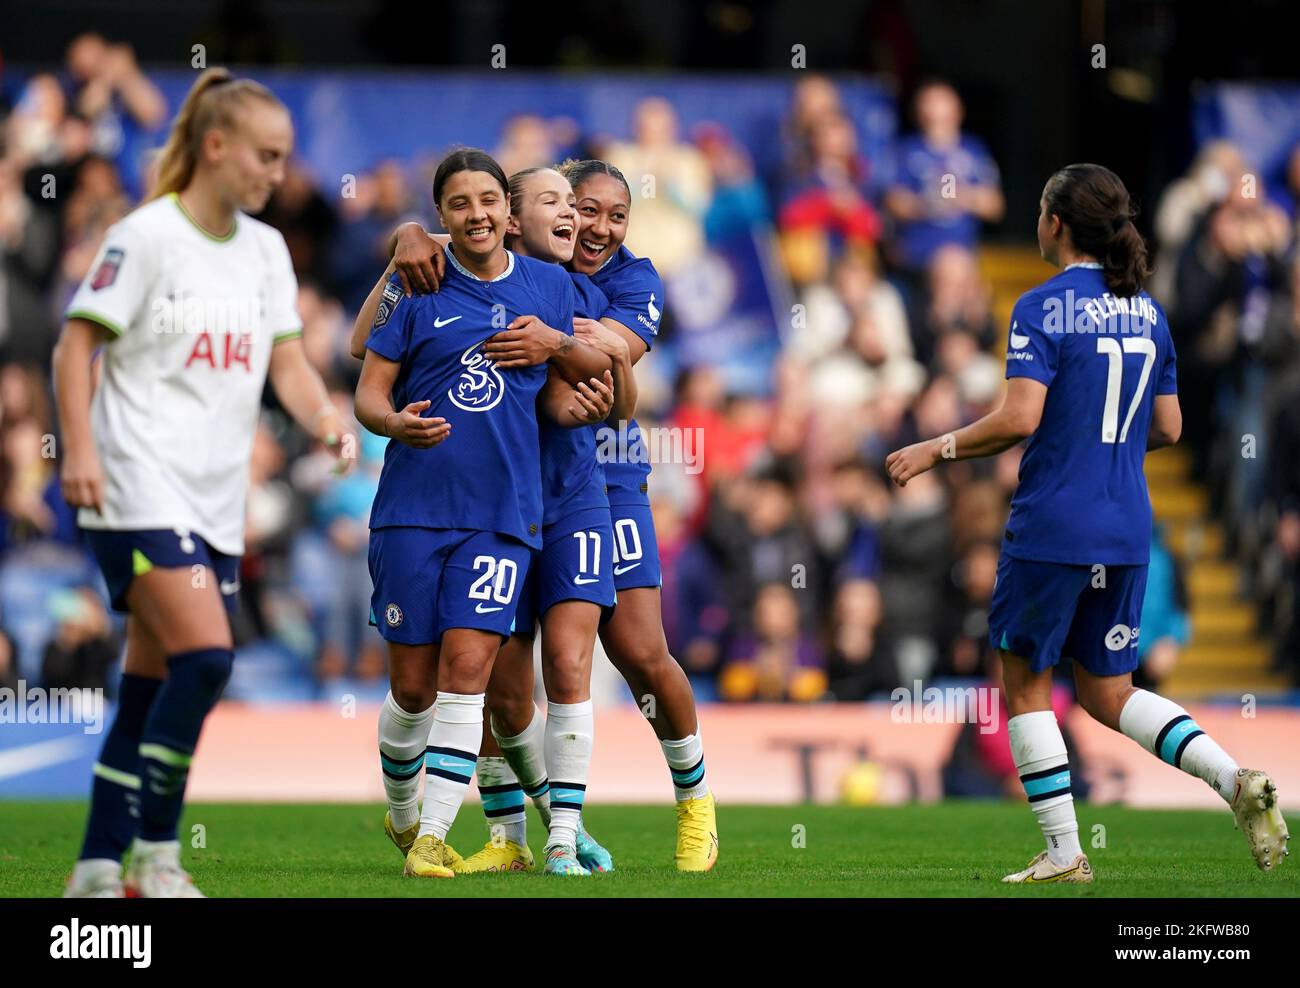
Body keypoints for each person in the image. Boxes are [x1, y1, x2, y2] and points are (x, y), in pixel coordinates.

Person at [886, 163, 1289, 883]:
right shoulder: (1148, 310)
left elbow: (1018, 418)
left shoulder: (1041, 307)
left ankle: (1065, 853)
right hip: (1128, 526)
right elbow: (1167, 427)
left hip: (1053, 525)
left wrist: (935, 447)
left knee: (1025, 683)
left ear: (1055, 223)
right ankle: (1233, 781)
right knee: (1110, 692)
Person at [54, 68, 354, 897]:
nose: (277, 173)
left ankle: (95, 869)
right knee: (209, 658)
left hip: (214, 499)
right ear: (215, 147)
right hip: (134, 482)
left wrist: (326, 417)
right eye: (266, 155)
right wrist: (77, 448)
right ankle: (156, 854)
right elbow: (75, 346)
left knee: (150, 686)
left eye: (284, 157)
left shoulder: (264, 251)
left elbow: (286, 360)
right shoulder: (146, 237)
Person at [390, 159, 720, 871]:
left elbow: (610, 377)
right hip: (503, 489)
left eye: (611, 213)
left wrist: (563, 351)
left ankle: (694, 801)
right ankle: (518, 836)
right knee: (494, 680)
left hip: (602, 479)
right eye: (574, 204)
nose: (593, 223)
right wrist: (408, 232)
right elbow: (403, 310)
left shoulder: (632, 280)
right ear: (520, 215)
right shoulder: (492, 268)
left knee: (634, 651)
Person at [351, 164, 619, 875]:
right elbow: (367, 389)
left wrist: (557, 345)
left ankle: (435, 839)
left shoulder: (551, 287)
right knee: (412, 688)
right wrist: (393, 424)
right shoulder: (417, 281)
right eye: (458, 203)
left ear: (508, 212)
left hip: (504, 516)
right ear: (441, 213)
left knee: (467, 671)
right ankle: (405, 816)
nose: (476, 213)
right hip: (413, 510)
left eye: (489, 201)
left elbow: (601, 373)